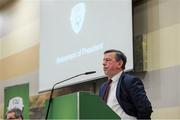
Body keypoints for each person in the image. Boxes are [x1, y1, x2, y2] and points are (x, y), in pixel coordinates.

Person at [99, 49, 153, 119]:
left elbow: (145, 108)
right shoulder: (103, 87)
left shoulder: (130, 81)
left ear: (119, 64)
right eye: (103, 60)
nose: (103, 63)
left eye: (108, 60)